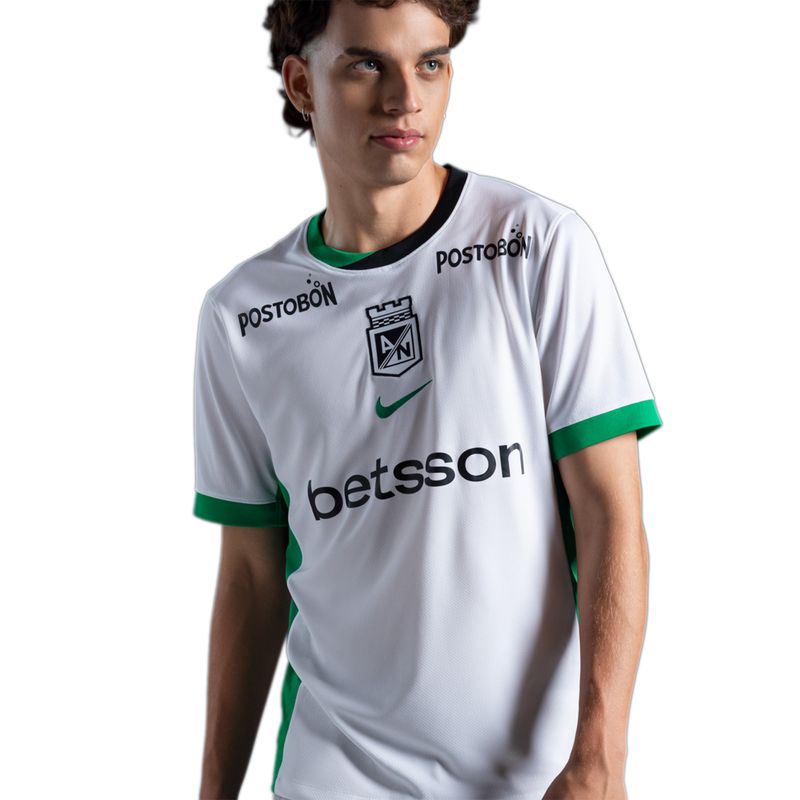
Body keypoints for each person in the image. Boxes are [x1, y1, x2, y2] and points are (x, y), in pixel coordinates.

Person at [193, 1, 663, 798]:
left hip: (531, 780)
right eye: (366, 64)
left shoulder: (537, 246)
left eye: (431, 63)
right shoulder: (242, 316)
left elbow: (611, 515)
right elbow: (250, 577)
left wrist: (600, 757)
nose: (405, 98)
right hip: (332, 776)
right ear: (302, 85)